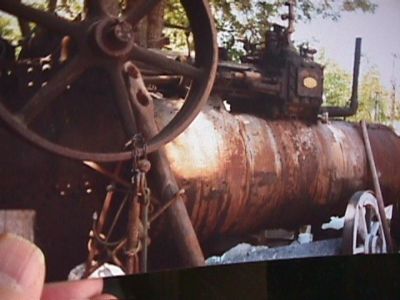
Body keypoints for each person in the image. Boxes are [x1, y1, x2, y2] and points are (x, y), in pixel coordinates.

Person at [0, 234, 117, 300]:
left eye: (98, 245)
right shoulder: (78, 271)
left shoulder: (114, 271)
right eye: (93, 243)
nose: (95, 249)